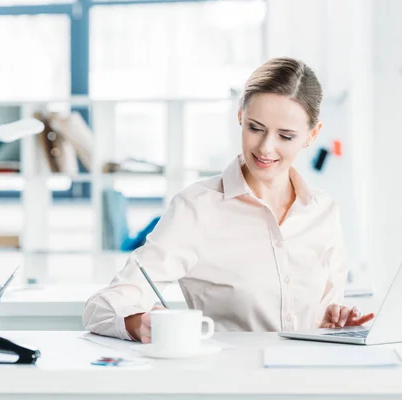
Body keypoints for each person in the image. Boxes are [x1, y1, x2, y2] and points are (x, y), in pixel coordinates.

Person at [83, 57, 374, 343]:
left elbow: (325, 311)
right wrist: (139, 324)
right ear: (240, 116)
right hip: (230, 382)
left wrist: (334, 321)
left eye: (285, 136)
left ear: (312, 135)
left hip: (310, 381)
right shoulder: (197, 208)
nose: (265, 147)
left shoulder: (323, 211)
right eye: (255, 128)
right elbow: (103, 307)